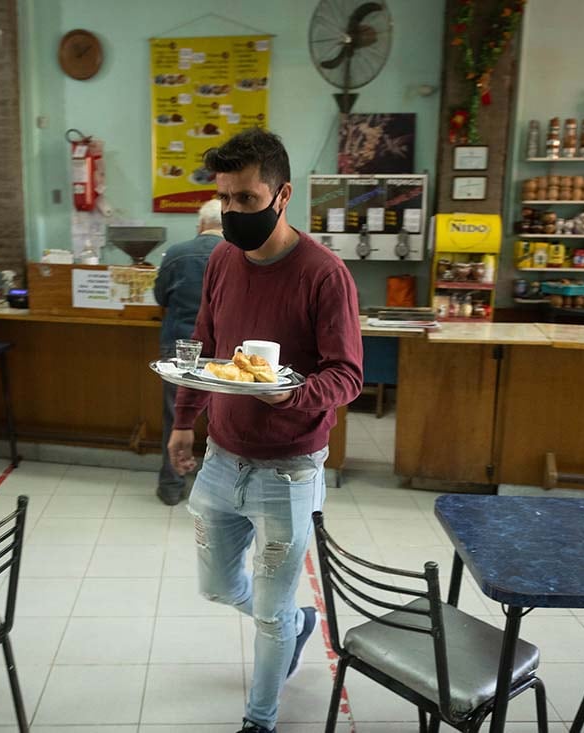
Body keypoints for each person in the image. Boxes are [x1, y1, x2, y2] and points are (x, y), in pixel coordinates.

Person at [167, 128, 363, 733]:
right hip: (224, 456)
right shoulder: (223, 259)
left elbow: (348, 373)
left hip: (290, 468)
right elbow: (204, 345)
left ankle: (261, 717)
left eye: (246, 200)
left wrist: (295, 395)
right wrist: (183, 420)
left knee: (271, 613)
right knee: (219, 586)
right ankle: (297, 624)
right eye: (225, 199)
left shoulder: (324, 274)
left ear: (282, 197)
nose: (232, 212)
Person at [153, 199, 223, 505]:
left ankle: (171, 487)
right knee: (221, 421)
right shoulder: (238, 254)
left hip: (180, 346)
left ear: (200, 224)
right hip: (223, 350)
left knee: (176, 418)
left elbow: (160, 296)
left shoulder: (176, 253)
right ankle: (217, 492)